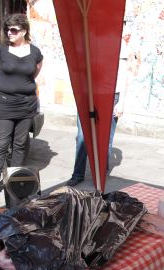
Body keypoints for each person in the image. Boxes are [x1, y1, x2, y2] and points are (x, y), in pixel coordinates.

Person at [0, 14, 43, 201]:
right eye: (7, 29)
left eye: (14, 30)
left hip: (26, 105)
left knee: (20, 144)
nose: (9, 33)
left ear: (24, 31)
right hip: (3, 104)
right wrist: (3, 92)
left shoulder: (35, 52)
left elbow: (34, 74)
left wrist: (23, 90)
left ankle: (13, 180)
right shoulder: (0, 50)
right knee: (1, 144)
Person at [66, 34, 131, 187]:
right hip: (88, 95)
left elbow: (123, 75)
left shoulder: (119, 43)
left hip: (111, 96)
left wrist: (121, 102)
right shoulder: (88, 39)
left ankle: (100, 174)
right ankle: (78, 174)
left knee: (105, 138)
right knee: (82, 136)